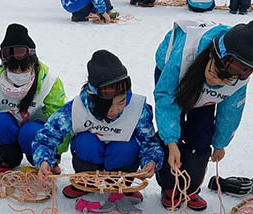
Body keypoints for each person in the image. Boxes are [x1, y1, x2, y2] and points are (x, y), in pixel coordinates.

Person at [153, 20, 253, 210]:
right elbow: (166, 99)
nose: (216, 81)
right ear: (212, 54)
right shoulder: (184, 54)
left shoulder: (238, 78)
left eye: (224, 80)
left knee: (201, 134)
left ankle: (191, 187)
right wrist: (171, 142)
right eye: (214, 72)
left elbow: (231, 112)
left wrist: (220, 143)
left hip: (205, 96)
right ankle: (170, 185)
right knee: (171, 132)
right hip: (178, 76)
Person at [33, 50, 163, 201]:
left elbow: (150, 143)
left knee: (126, 147)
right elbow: (47, 136)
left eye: (121, 102)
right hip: (90, 157)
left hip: (120, 159)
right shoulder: (76, 108)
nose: (116, 110)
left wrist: (151, 161)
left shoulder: (138, 109)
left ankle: (122, 185)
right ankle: (84, 181)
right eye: (109, 106)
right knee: (86, 142)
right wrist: (44, 160)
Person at [0, 24, 68, 176]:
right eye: (13, 70)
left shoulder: (50, 84)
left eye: (23, 70)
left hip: (36, 137)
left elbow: (60, 121)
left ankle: (43, 161)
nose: (18, 74)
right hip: (9, 132)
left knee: (30, 131)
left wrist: (56, 154)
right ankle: (8, 158)